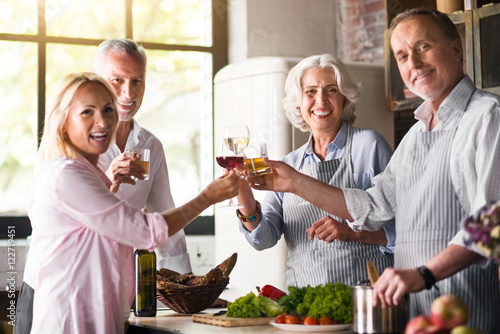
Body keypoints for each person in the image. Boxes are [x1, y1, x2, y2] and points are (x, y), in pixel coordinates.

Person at [246, 9, 500, 332]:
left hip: (465, 311)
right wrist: (293, 181)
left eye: (423, 47)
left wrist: (423, 273)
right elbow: (374, 205)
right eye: (402, 55)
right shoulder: (415, 136)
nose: (414, 63)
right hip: (413, 317)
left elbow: (490, 223)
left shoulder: (487, 117)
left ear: (456, 49)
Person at [19, 72, 241, 333]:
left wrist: (189, 290)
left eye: (107, 109)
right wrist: (209, 197)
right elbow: (145, 230)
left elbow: (101, 233)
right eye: (87, 112)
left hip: (99, 317)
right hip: (71, 321)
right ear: (63, 122)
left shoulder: (90, 170)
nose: (102, 121)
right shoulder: (66, 173)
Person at [236, 54, 395, 288]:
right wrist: (242, 193)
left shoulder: (369, 145)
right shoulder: (290, 163)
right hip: (305, 304)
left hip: (365, 298)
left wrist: (354, 232)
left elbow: (404, 230)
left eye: (331, 90)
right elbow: (262, 238)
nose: (321, 100)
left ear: (344, 98)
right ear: (298, 102)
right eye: (310, 91)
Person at [94, 38, 192, 274]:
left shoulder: (151, 146)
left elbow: (166, 219)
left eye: (137, 81)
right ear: (96, 81)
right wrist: (110, 180)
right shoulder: (76, 141)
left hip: (118, 279)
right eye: (117, 80)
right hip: (61, 280)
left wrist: (188, 287)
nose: (128, 92)